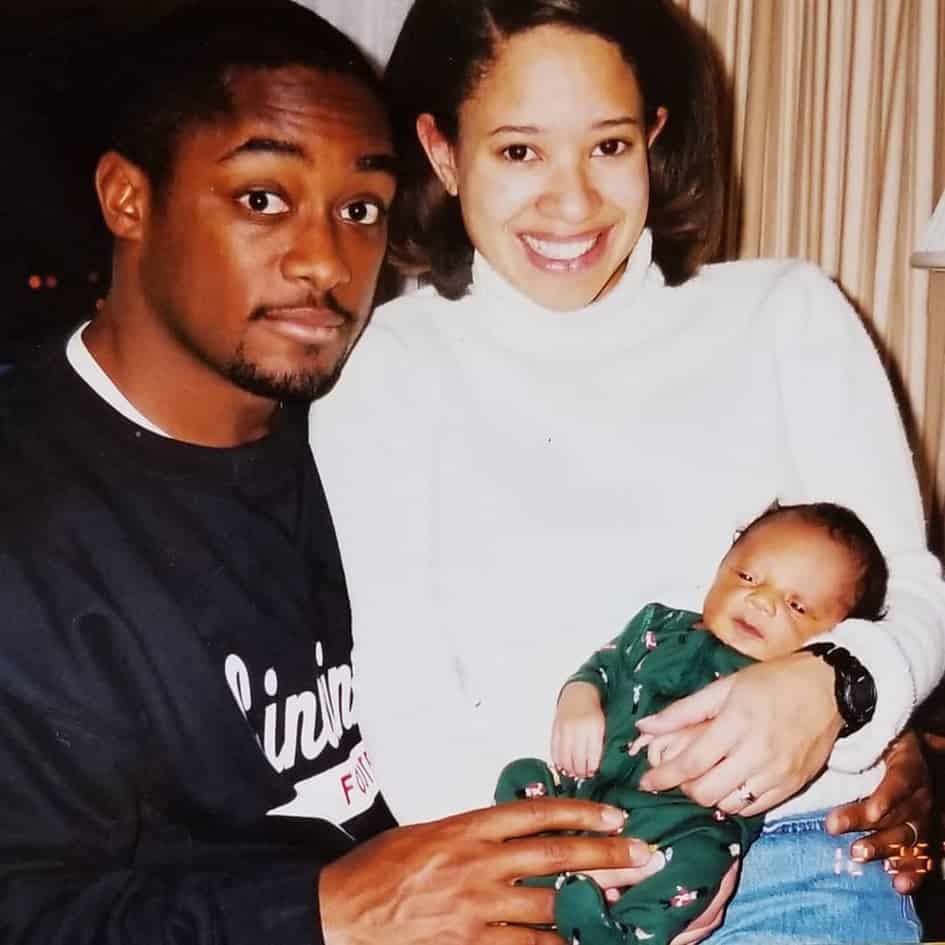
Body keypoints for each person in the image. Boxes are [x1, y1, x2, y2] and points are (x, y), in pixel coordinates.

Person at [0, 3, 662, 943]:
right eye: (262, 198)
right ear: (128, 199)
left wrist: (846, 744)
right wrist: (326, 910)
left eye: (360, 210)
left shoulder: (380, 420)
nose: (326, 260)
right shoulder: (32, 523)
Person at [308, 0, 945, 938]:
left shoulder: (786, 314)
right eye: (518, 152)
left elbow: (914, 592)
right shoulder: (387, 370)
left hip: (797, 850)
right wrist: (579, 870)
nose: (572, 204)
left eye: (607, 146)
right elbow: (404, 700)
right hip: (535, 869)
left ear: (654, 136)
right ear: (441, 153)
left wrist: (834, 682)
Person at [496, 501, 901, 945]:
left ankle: (624, 934)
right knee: (522, 775)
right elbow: (604, 666)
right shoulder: (658, 625)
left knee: (701, 860)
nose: (760, 601)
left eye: (796, 605)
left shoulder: (792, 703)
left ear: (834, 637)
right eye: (747, 577)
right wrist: (578, 701)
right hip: (585, 793)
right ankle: (533, 881)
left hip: (683, 828)